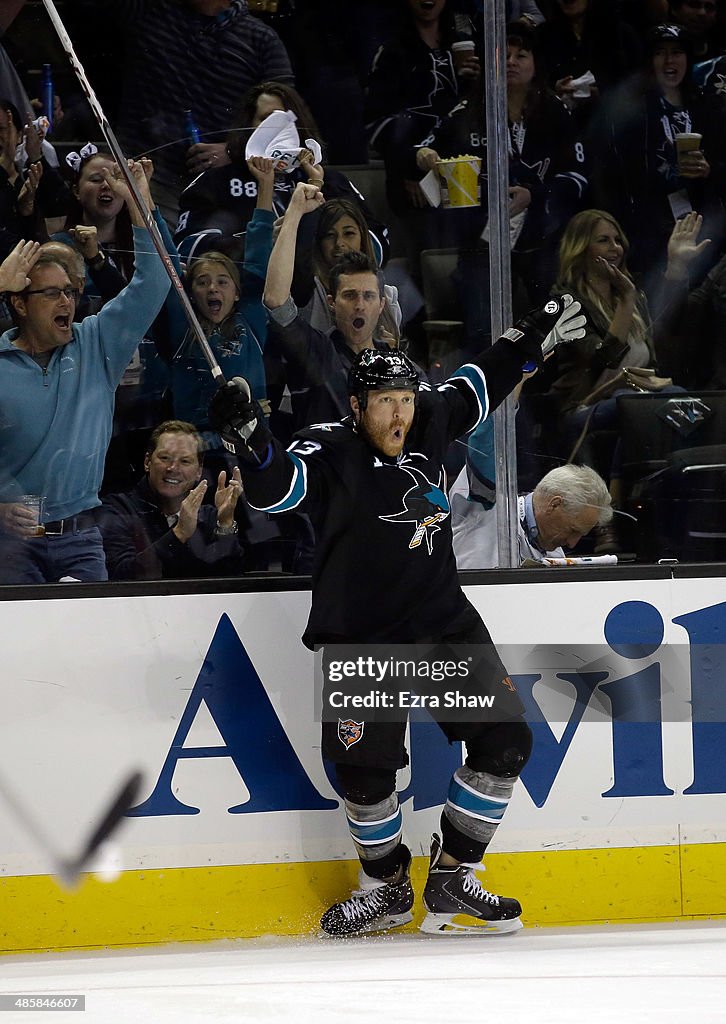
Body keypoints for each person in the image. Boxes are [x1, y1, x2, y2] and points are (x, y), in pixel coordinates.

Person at [208, 294, 586, 936]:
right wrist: (251, 440)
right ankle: (384, 887)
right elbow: (277, 492)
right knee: (363, 773)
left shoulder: (431, 417)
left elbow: (481, 380)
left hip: (443, 622)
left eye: (405, 399)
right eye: (384, 402)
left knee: (506, 743)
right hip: (362, 633)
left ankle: (450, 879)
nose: (399, 413)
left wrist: (532, 335)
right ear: (356, 408)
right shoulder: (327, 451)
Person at [0, 162, 170, 584]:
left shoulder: (97, 344)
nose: (67, 302)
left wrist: (141, 204)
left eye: (71, 292)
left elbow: (154, 283)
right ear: (19, 304)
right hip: (10, 545)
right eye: (52, 293)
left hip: (81, 540)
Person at [80, 0, 294, 222]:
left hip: (222, 185)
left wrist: (233, 150)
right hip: (150, 174)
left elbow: (285, 117)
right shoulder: (147, 11)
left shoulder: (262, 40)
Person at [174, 81, 388, 270]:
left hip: (327, 294)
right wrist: (256, 242)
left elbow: (379, 243)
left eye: (285, 119)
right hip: (247, 293)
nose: (277, 128)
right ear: (249, 127)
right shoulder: (215, 182)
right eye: (267, 119)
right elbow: (186, 249)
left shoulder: (333, 182)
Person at [263, 182, 408, 431]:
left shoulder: (400, 365)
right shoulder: (318, 349)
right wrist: (296, 212)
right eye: (350, 296)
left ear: (381, 302)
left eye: (369, 296)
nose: (360, 305)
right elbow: (276, 300)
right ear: (332, 302)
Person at [99, 420, 245, 580]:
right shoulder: (118, 510)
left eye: (185, 461)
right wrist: (180, 532)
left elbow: (231, 583)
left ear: (199, 471)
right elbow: (120, 578)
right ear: (147, 462)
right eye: (165, 458)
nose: (173, 468)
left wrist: (225, 523)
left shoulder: (208, 516)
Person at [450, 427, 612, 567]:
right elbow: (487, 443)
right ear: (554, 504)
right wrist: (506, 394)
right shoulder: (483, 506)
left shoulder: (556, 558)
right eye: (573, 530)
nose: (572, 543)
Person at [300, 198, 402, 341]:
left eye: (349, 234)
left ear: (362, 237)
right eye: (329, 235)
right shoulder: (306, 292)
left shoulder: (388, 296)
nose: (339, 243)